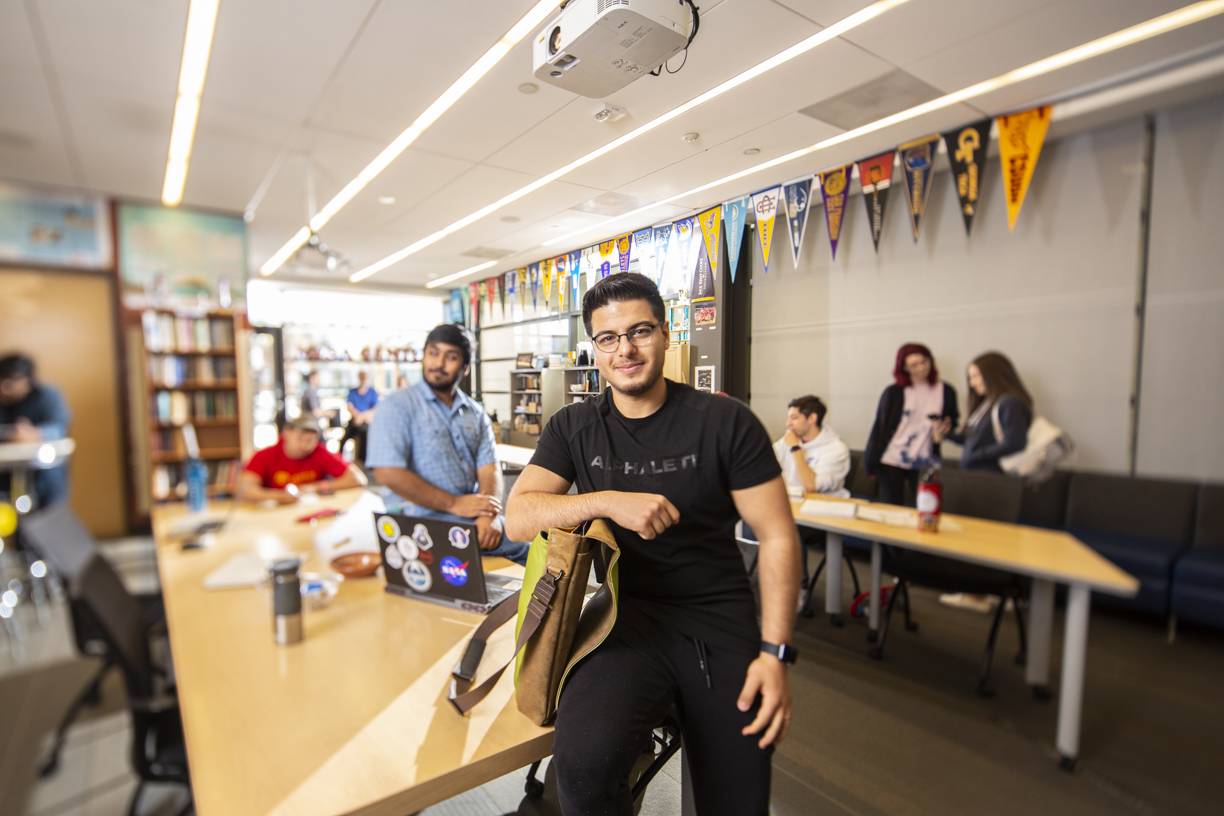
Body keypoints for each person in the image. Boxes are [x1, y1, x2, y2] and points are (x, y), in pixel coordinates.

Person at [505, 273, 800, 816]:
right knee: (582, 775)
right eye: (609, 337)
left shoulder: (723, 421)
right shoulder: (574, 426)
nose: (626, 349)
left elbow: (779, 537)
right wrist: (607, 501)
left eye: (639, 331)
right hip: (627, 615)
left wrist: (775, 652)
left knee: (736, 800)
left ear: (665, 335)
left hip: (720, 618)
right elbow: (519, 515)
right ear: (594, 348)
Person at [365, 324, 529, 565]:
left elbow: (490, 469)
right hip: (417, 520)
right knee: (527, 549)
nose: (438, 363)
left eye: (450, 357)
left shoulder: (474, 412)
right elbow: (387, 472)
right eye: (433, 353)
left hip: (468, 516)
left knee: (526, 539)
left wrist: (489, 515)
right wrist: (455, 504)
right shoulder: (397, 406)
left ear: (464, 368)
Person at [864, 343, 959, 506]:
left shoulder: (946, 391)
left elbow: (953, 421)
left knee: (928, 506)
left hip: (926, 459)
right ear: (904, 368)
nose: (921, 368)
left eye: (924, 362)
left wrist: (946, 428)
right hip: (892, 458)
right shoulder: (894, 392)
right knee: (893, 507)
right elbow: (880, 428)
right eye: (914, 365)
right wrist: (870, 461)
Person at [935, 351, 1032, 471]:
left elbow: (1015, 443)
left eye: (975, 377)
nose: (971, 384)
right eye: (970, 378)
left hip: (991, 477)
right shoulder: (986, 404)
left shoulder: (1009, 402)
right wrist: (947, 434)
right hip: (976, 474)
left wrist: (977, 456)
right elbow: (973, 441)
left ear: (992, 375)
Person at [238, 415, 367, 504]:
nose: (305, 445)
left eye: (310, 440)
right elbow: (244, 490)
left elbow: (358, 479)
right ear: (287, 432)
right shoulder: (265, 455)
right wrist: (279, 497)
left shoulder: (319, 452)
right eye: (300, 438)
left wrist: (316, 487)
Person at [0, 353, 71, 507]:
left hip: (43, 474)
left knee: (52, 491)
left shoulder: (47, 395)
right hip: (4, 475)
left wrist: (36, 434)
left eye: (9, 382)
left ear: (26, 380)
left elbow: (59, 427)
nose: (4, 388)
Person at [774, 395, 850, 498]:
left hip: (824, 506)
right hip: (791, 501)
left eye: (794, 418)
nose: (788, 423)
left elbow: (810, 485)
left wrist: (795, 448)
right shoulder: (787, 441)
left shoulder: (836, 448)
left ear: (812, 418)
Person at [340, 371, 378, 462]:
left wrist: (362, 417)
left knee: (364, 437)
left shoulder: (372, 392)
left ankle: (362, 462)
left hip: (365, 422)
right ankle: (339, 460)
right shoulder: (353, 392)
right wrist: (357, 416)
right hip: (354, 421)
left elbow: (374, 408)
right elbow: (349, 406)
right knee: (343, 440)